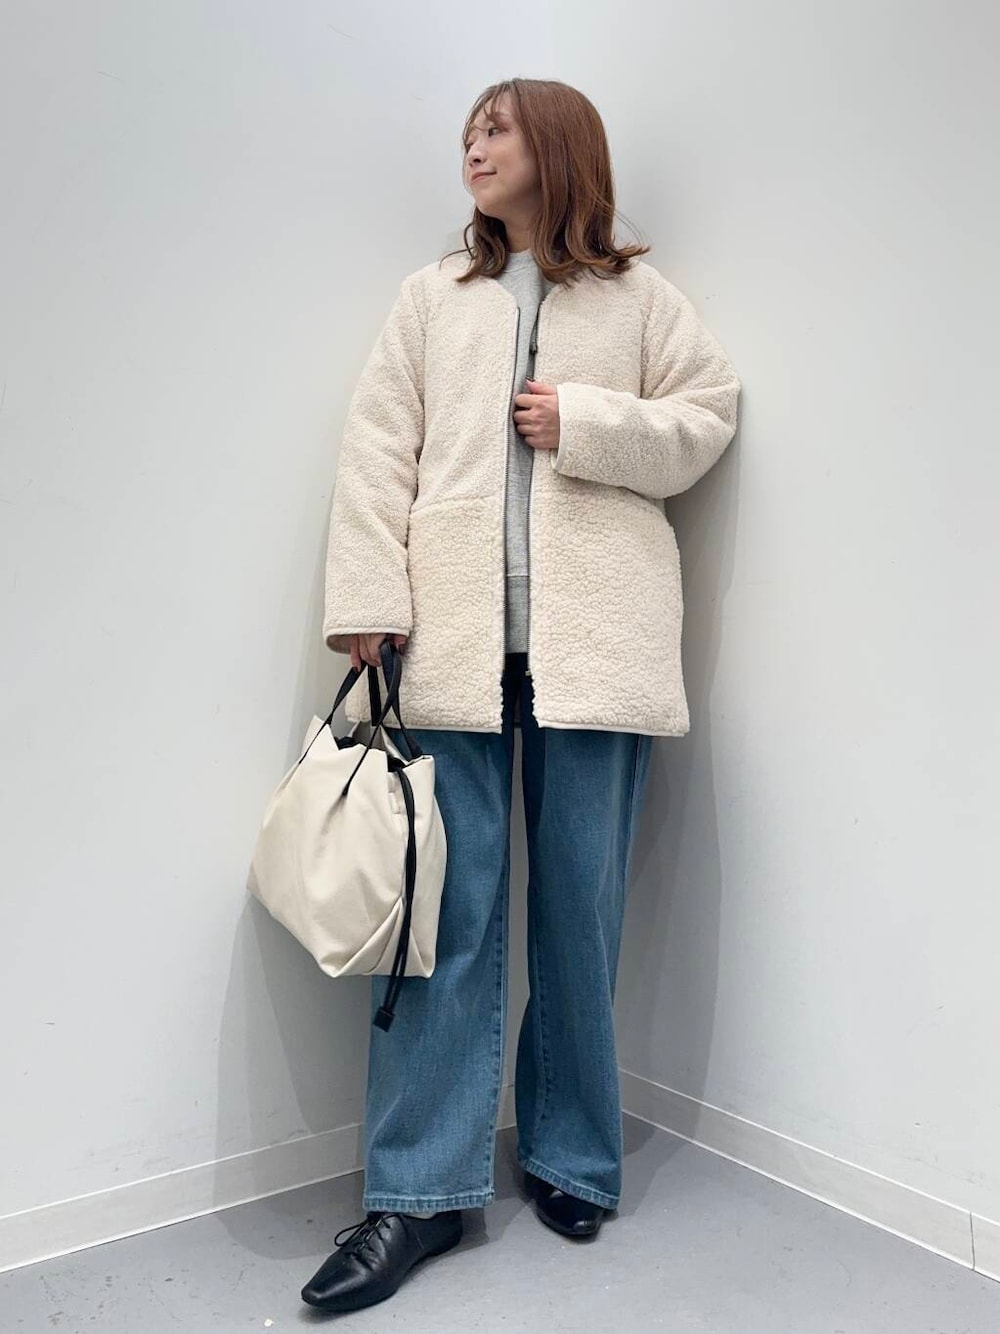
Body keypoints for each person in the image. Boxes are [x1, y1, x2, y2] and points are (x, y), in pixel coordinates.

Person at [300, 77, 741, 1315]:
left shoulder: (640, 299)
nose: (473, 148)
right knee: (442, 923)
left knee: (580, 916)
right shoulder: (432, 298)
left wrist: (585, 421)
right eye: (468, 133)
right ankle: (418, 1191)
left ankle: (570, 1156)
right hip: (451, 651)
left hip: (596, 652)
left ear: (557, 145)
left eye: (494, 129)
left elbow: (707, 416)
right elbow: (375, 448)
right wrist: (367, 596)